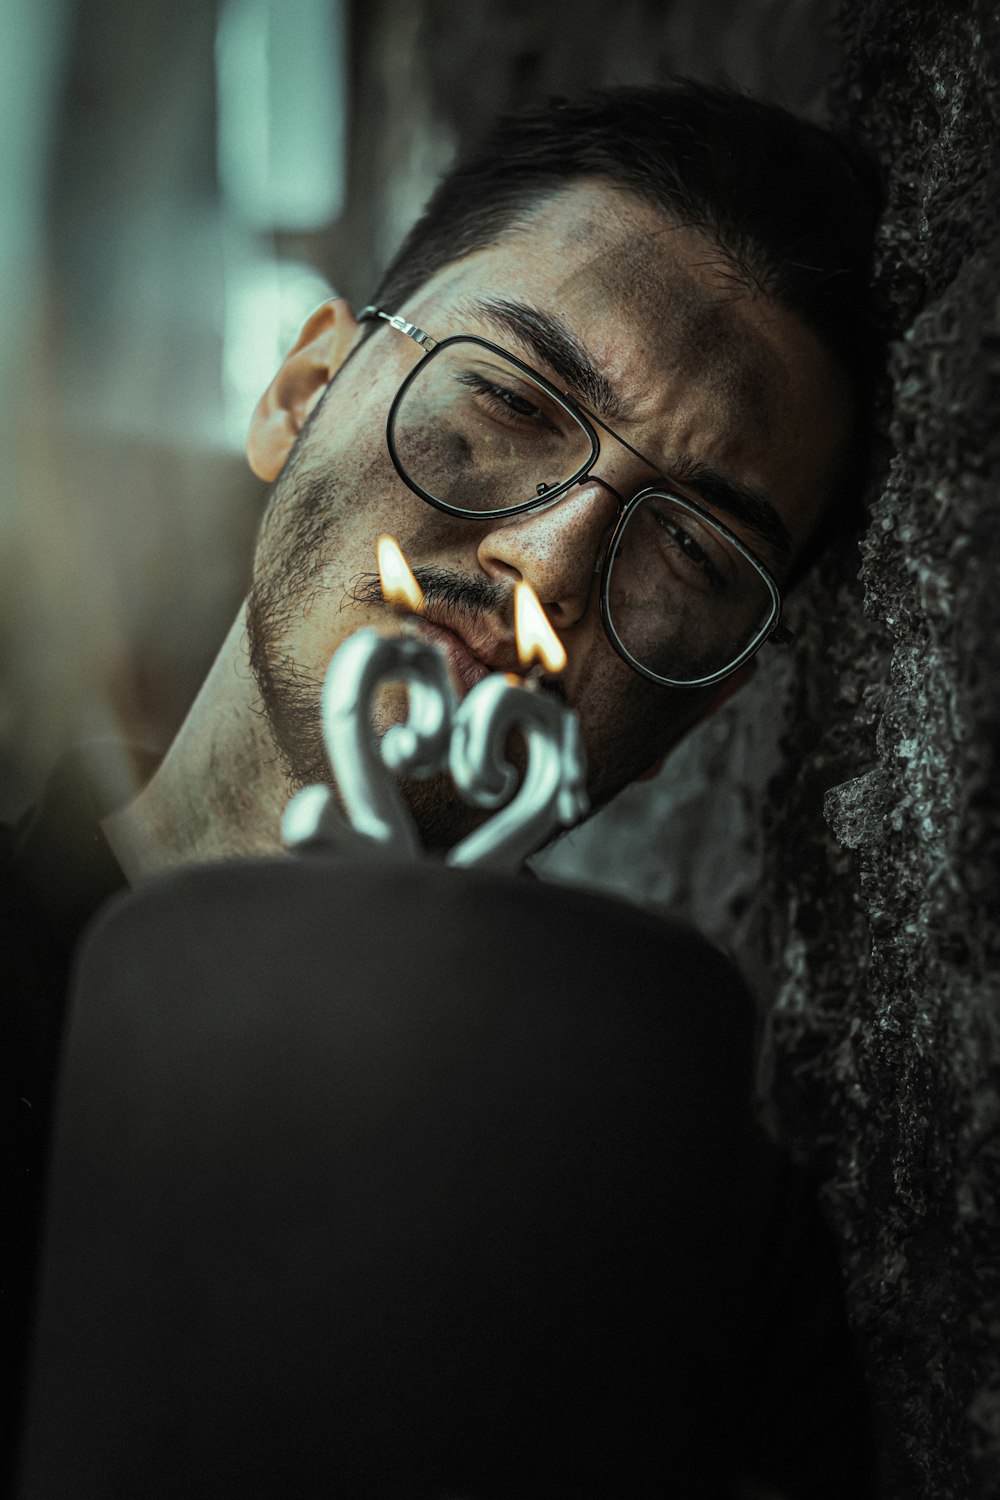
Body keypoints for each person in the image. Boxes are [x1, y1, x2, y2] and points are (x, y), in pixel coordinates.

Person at [4, 80, 882, 1495]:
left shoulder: (697, 1244)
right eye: (510, 401)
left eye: (696, 556)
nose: (548, 566)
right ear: (301, 395)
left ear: (714, 698)